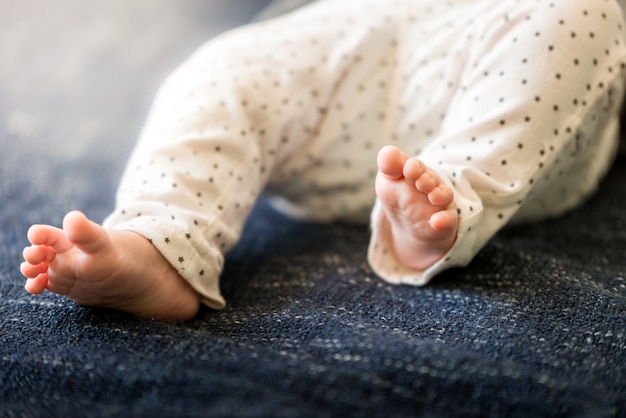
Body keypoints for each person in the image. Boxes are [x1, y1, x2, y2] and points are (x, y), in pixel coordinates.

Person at [20, 0, 626, 321]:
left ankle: (445, 207)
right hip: (353, 40)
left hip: (512, 72)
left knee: (582, 11)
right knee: (226, 66)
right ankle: (161, 240)